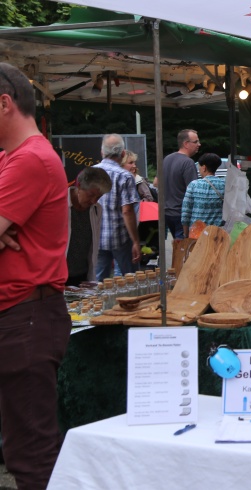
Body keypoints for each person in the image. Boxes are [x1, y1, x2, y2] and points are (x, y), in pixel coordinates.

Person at [0, 61, 73, 490]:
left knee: (31, 455)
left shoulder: (30, 160)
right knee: (25, 447)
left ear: (4, 104)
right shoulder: (16, 157)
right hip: (21, 316)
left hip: (24, 318)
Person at [94, 134, 141, 280]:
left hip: (97, 237)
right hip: (120, 238)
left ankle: (101, 303)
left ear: (102, 152)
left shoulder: (91, 172)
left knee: (99, 281)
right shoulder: (124, 176)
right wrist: (135, 241)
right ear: (122, 154)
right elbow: (127, 211)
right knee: (130, 280)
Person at [66, 167, 112, 285]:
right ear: (80, 186)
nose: (93, 201)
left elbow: (93, 245)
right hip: (59, 275)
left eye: (99, 197)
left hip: (82, 275)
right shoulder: (58, 204)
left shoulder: (96, 210)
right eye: (91, 195)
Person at [163, 129, 200, 238]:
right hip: (181, 214)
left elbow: (156, 182)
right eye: (196, 142)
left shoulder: (167, 159)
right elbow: (193, 191)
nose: (199, 144)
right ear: (186, 144)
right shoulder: (188, 163)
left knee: (177, 246)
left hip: (167, 212)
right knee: (183, 250)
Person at [181, 153, 225, 237]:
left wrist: (186, 234)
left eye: (200, 167)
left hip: (197, 234)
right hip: (217, 234)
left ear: (204, 167)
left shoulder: (194, 185)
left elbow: (186, 212)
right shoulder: (224, 185)